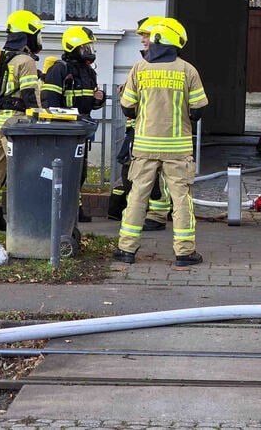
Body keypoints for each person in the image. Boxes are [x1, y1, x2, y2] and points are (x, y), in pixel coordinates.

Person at [115, 17, 207, 266]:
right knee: (181, 200)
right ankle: (184, 252)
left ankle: (126, 250)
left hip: (144, 147)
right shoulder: (188, 70)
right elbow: (198, 110)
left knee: (137, 197)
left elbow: (127, 108)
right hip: (178, 149)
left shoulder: (139, 69)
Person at [0, 10, 44, 231]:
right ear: (28, 35)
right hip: (13, 126)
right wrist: (39, 117)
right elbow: (29, 94)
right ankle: (21, 217)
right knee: (20, 171)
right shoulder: (25, 61)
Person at [107, 16, 170, 230]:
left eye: (146, 35)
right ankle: (146, 213)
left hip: (151, 131)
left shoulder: (156, 66)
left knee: (155, 175)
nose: (142, 39)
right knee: (131, 171)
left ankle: (156, 215)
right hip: (138, 130)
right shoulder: (144, 63)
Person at [41, 26, 105, 223]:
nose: (89, 50)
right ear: (73, 47)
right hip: (64, 130)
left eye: (90, 47)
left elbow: (90, 102)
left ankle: (74, 208)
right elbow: (50, 101)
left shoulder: (88, 72)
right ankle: (60, 207)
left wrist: (98, 99)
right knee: (64, 170)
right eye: (85, 47)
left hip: (81, 129)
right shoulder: (60, 69)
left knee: (79, 171)